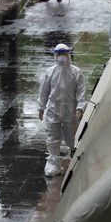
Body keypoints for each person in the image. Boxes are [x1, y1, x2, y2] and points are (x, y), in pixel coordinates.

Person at [37, 44, 86, 177]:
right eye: (59, 54)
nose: (62, 57)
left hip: (70, 109)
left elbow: (81, 91)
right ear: (55, 56)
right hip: (54, 108)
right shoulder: (50, 72)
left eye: (64, 54)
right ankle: (53, 162)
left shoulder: (76, 72)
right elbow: (44, 91)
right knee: (52, 136)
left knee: (72, 135)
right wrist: (41, 107)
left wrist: (80, 107)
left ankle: (74, 156)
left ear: (69, 55)